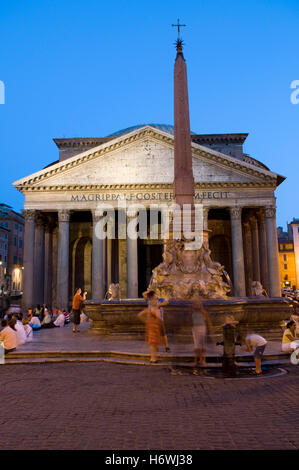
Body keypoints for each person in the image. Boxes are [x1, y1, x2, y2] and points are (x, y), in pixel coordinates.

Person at [138, 299, 163, 363]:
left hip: (150, 326)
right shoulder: (156, 310)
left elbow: (139, 315)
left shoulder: (149, 309)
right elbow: (159, 317)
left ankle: (153, 358)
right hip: (155, 327)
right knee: (154, 344)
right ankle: (153, 358)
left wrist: (146, 321)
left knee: (152, 344)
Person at [191, 297, 214, 367]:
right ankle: (198, 360)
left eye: (197, 304)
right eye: (195, 304)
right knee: (196, 346)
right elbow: (191, 321)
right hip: (195, 329)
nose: (196, 305)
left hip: (202, 328)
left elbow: (208, 321)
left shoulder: (203, 312)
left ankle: (203, 360)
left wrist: (211, 330)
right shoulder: (193, 312)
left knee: (202, 345)